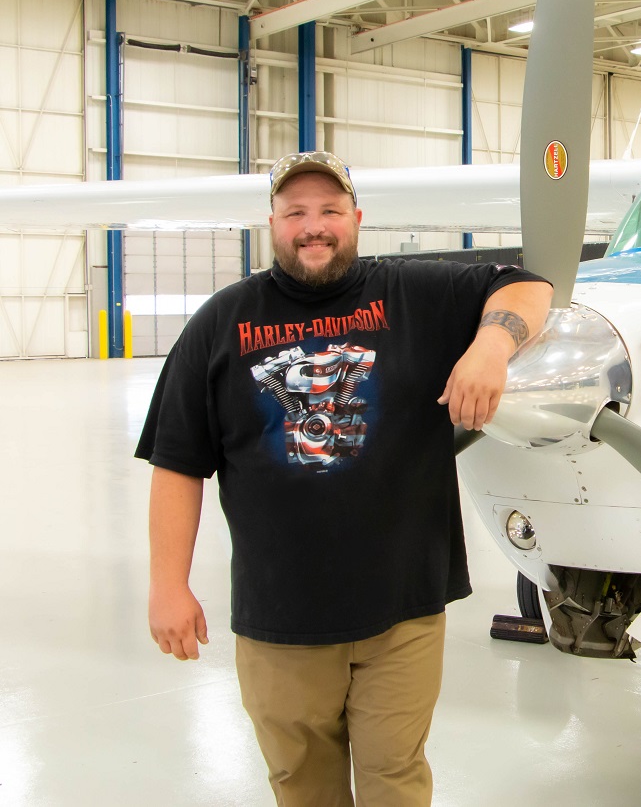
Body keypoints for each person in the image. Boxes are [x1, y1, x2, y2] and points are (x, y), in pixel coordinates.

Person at [137, 150, 552, 807]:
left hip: (402, 614)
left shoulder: (414, 294)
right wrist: (168, 584)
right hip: (280, 620)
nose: (314, 226)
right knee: (303, 787)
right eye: (295, 211)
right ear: (271, 222)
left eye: (330, 210)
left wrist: (491, 344)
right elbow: (178, 462)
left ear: (356, 218)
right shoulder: (220, 324)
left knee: (396, 780)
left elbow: (529, 286)